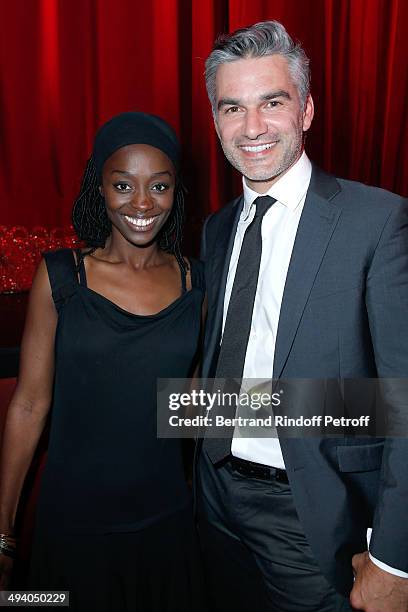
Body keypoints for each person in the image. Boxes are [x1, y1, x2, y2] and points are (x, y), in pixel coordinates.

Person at [196, 20, 408, 612]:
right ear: (215, 120)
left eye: (273, 102)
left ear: (307, 110)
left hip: (317, 521)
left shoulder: (378, 222)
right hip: (214, 499)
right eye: (232, 107)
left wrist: (397, 558)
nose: (253, 126)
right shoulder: (216, 230)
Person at [0, 112, 206, 611]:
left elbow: (197, 413)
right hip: (73, 529)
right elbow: (29, 406)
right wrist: (3, 535)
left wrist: (347, 414)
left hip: (166, 527)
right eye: (122, 184)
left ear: (176, 192)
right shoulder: (61, 277)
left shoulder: (197, 284)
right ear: (100, 187)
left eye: (159, 186)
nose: (141, 203)